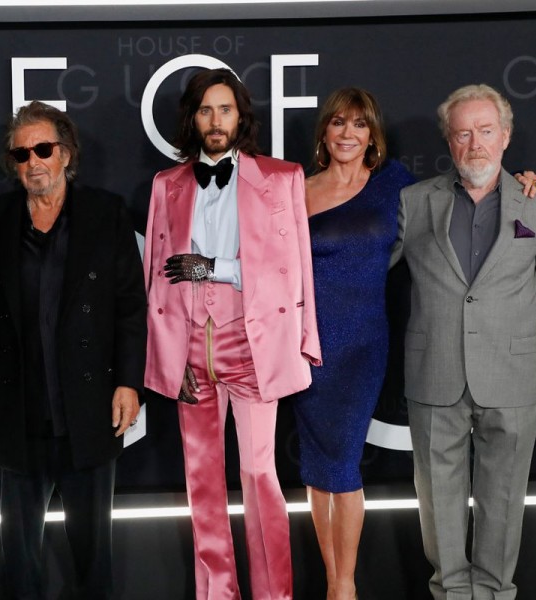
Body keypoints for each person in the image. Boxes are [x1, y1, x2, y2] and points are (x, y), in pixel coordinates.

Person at [143, 68, 321, 600]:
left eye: (225, 109)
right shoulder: (167, 184)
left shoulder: (282, 178)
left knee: (260, 476)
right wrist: (167, 359)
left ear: (241, 116)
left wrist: (212, 267)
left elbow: (293, 268)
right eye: (205, 110)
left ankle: (274, 595)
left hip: (252, 344)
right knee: (201, 482)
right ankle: (216, 593)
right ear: (192, 119)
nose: (215, 120)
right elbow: (155, 279)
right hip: (190, 349)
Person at [0, 101, 146, 599]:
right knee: (19, 558)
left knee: (93, 553)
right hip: (19, 408)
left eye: (43, 149)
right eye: (21, 154)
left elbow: (131, 306)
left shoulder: (106, 213)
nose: (33, 162)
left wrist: (129, 382)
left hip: (88, 407)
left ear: (66, 153)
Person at [391, 83, 536, 600]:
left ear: (505, 136)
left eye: (486, 131)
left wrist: (504, 325)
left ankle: (494, 593)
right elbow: (369, 265)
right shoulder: (413, 202)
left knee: (503, 500)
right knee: (438, 503)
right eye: (463, 133)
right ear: (449, 140)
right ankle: (450, 593)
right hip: (435, 372)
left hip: (512, 375)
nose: (475, 144)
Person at [292, 87, 415, 600]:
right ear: (324, 132)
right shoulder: (296, 189)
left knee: (342, 464)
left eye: (359, 124)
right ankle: (332, 580)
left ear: (373, 136)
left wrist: (524, 183)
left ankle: (345, 585)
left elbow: (462, 194)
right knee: (317, 468)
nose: (348, 133)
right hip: (306, 347)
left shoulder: (394, 184)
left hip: (362, 346)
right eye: (338, 122)